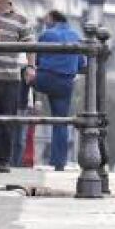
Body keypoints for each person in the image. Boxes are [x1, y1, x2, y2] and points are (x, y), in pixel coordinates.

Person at [0, 0, 35, 173]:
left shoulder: (21, 18)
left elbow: (31, 44)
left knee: (7, 121)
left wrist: (31, 67)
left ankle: (4, 161)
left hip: (10, 77)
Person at [35, 10, 85, 172]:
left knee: (23, 76)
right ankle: (59, 162)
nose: (45, 22)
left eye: (46, 19)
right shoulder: (76, 36)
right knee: (61, 121)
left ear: (52, 19)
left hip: (45, 78)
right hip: (65, 82)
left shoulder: (46, 34)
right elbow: (81, 64)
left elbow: (36, 59)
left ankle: (24, 106)